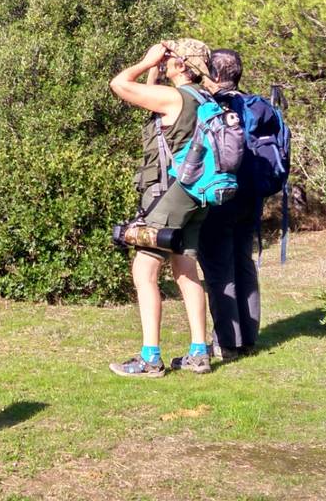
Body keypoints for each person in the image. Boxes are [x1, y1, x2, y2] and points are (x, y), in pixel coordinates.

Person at [107, 38, 215, 377]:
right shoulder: (203, 99)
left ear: (182, 66)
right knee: (186, 271)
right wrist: (155, 71)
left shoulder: (175, 97)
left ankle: (150, 358)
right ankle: (199, 352)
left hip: (172, 195)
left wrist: (145, 60)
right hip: (197, 195)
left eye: (170, 58)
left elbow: (119, 85)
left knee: (144, 270)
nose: (165, 61)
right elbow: (155, 119)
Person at [196, 49, 264, 359]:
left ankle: (227, 343)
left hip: (223, 196)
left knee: (220, 269)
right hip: (253, 196)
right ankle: (247, 339)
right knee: (243, 263)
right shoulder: (258, 105)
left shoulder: (213, 105)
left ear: (216, 75)